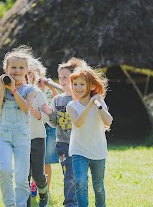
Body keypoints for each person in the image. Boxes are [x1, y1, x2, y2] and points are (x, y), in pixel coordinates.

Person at [0, 45, 36, 207]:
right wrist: (3, 88)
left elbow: (25, 108)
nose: (17, 71)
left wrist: (14, 90)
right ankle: (9, 204)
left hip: (22, 136)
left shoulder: (30, 89)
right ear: (6, 69)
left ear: (27, 70)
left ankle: (21, 205)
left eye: (21, 68)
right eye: (13, 67)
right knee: (5, 171)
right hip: (2, 135)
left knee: (21, 177)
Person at [42, 57, 86, 207]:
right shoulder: (57, 100)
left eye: (65, 77)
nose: (61, 80)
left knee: (80, 177)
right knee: (69, 176)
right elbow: (53, 124)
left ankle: (80, 201)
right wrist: (50, 113)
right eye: (60, 77)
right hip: (63, 144)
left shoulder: (81, 99)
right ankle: (70, 203)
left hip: (80, 144)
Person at [66, 66, 113, 207]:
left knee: (98, 186)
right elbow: (78, 123)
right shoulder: (71, 105)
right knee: (80, 183)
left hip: (98, 151)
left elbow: (108, 121)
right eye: (75, 84)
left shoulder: (99, 103)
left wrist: (98, 105)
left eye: (82, 84)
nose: (78, 88)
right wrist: (89, 105)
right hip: (79, 150)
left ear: (91, 85)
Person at [26, 58, 50, 207]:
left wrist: (38, 114)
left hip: (38, 138)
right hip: (21, 139)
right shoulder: (14, 94)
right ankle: (25, 203)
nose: (25, 76)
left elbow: (47, 117)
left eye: (28, 73)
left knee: (38, 175)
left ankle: (44, 195)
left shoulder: (39, 94)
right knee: (24, 175)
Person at [34, 61, 59, 193]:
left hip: (49, 126)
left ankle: (46, 189)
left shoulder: (49, 89)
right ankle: (33, 186)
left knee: (46, 160)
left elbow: (57, 101)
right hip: (35, 126)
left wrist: (51, 88)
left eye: (40, 72)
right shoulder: (29, 89)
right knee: (33, 159)